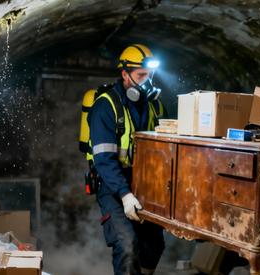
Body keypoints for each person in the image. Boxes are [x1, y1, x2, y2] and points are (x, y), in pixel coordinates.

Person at [87, 43, 167, 275]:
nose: (147, 81)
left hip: (144, 183)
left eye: (150, 75)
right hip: (112, 184)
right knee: (127, 245)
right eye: (141, 75)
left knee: (154, 245)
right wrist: (125, 194)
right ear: (125, 74)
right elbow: (103, 160)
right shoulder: (105, 106)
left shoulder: (154, 105)